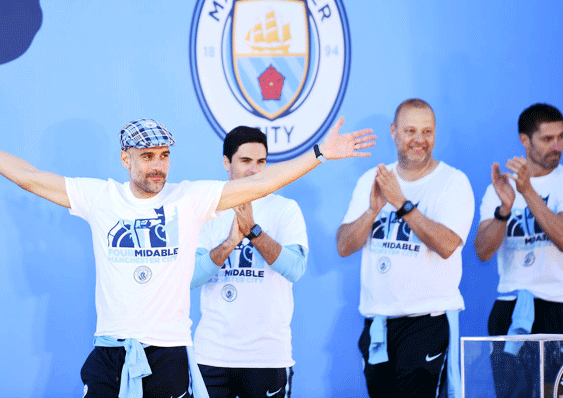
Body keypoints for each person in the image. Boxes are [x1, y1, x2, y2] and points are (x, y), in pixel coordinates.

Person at [0, 100, 375, 398]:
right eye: (147, 156)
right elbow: (30, 178)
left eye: (163, 156)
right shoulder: (101, 198)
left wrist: (318, 153)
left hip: (170, 355)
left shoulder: (189, 198)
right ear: (126, 159)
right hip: (110, 353)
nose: (157, 166)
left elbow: (265, 181)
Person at [336, 98, 474, 398]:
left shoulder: (453, 182)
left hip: (427, 322)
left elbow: (448, 245)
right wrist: (373, 211)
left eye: (427, 132)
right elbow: (345, 246)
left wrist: (402, 204)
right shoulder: (372, 180)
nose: (419, 140)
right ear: (393, 132)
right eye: (410, 130)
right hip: (378, 325)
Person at [190, 126, 308, 398]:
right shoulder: (207, 209)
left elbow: (295, 269)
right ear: (226, 162)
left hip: (268, 356)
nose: (255, 170)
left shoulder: (285, 209)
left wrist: (254, 231)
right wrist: (230, 242)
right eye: (245, 161)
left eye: (261, 162)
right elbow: (191, 277)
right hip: (213, 355)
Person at [474, 103, 563, 398]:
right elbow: (484, 252)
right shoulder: (500, 189)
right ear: (525, 141)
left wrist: (528, 192)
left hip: (557, 306)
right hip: (510, 309)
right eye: (547, 139)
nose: (557, 146)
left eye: (561, 138)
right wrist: (505, 210)